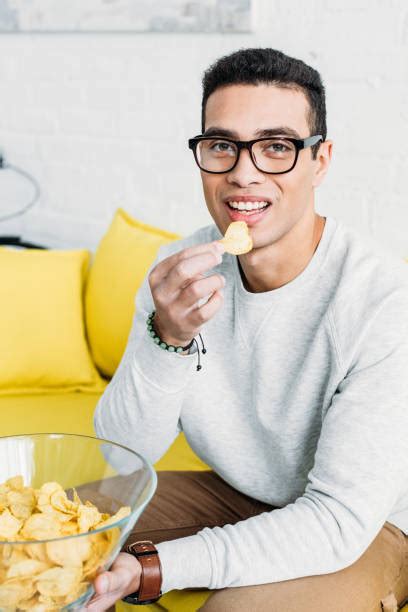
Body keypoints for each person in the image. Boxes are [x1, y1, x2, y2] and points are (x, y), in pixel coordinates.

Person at [86, 48, 408, 611]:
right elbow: (122, 455)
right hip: (243, 495)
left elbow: (337, 519)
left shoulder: (382, 301)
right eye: (221, 146)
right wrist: (169, 339)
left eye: (277, 147)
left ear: (321, 161)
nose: (243, 173)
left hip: (370, 525)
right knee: (37, 537)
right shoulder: (179, 273)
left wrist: (155, 569)